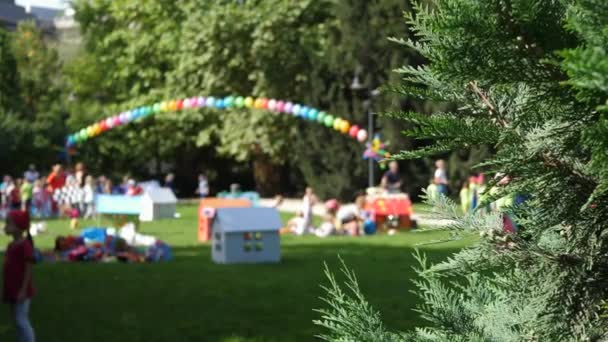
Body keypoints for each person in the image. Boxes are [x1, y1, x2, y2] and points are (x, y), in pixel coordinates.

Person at [3, 210, 36, 342]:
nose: (5, 226)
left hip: (21, 290)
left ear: (18, 228)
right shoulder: (11, 245)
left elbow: (28, 268)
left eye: (8, 223)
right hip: (12, 289)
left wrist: (23, 289)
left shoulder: (24, 245)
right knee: (17, 320)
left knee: (21, 320)